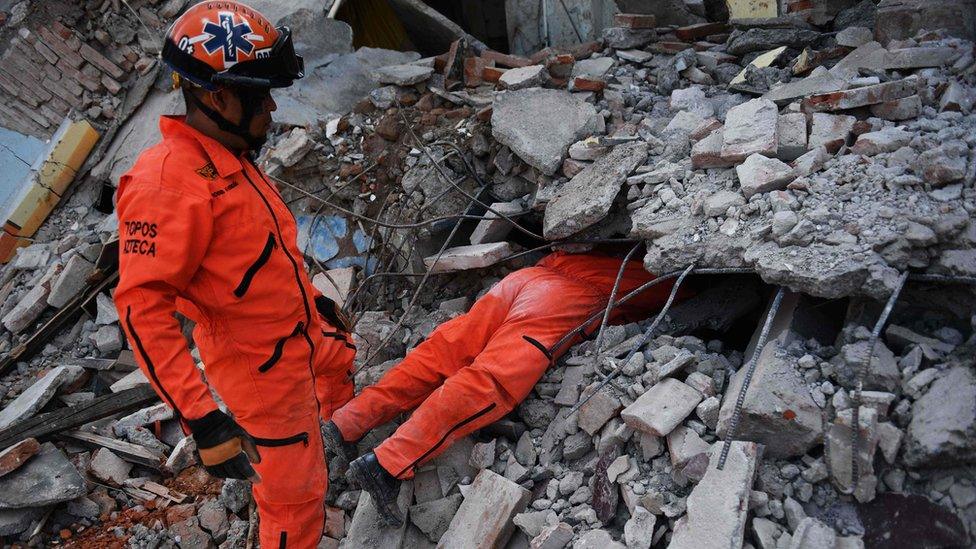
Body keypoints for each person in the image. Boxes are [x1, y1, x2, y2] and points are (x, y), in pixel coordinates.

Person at [114, 3, 355, 547]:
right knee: (294, 499)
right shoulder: (166, 185)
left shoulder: (228, 154)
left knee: (342, 358)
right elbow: (141, 309)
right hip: (262, 371)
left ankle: (336, 438)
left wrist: (311, 301)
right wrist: (203, 420)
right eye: (259, 94)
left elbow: (254, 256)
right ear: (217, 96)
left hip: (300, 331)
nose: (271, 106)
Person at [321, 251, 682, 526]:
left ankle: (347, 422)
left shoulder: (612, 250)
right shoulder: (676, 270)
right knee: (489, 381)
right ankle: (387, 463)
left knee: (443, 352)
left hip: (527, 277)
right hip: (565, 297)